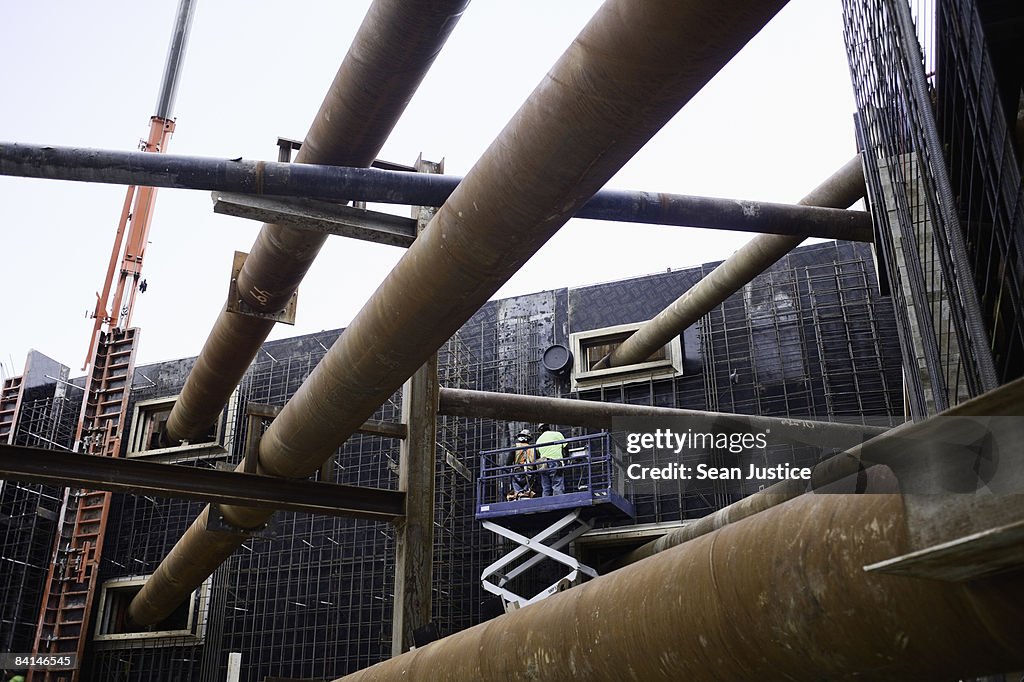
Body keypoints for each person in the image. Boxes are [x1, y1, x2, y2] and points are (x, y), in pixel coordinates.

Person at [535, 422, 567, 496]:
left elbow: (537, 454)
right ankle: (558, 502)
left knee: (546, 486)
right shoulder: (558, 434)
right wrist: (565, 461)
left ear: (540, 430)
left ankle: (546, 503)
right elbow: (565, 449)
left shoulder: (539, 440)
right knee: (557, 484)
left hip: (543, 463)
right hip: (555, 461)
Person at [508, 429, 536, 500]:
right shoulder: (533, 449)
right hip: (530, 472)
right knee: (526, 492)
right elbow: (536, 463)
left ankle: (518, 497)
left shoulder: (516, 446)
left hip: (518, 471)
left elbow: (508, 462)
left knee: (517, 491)